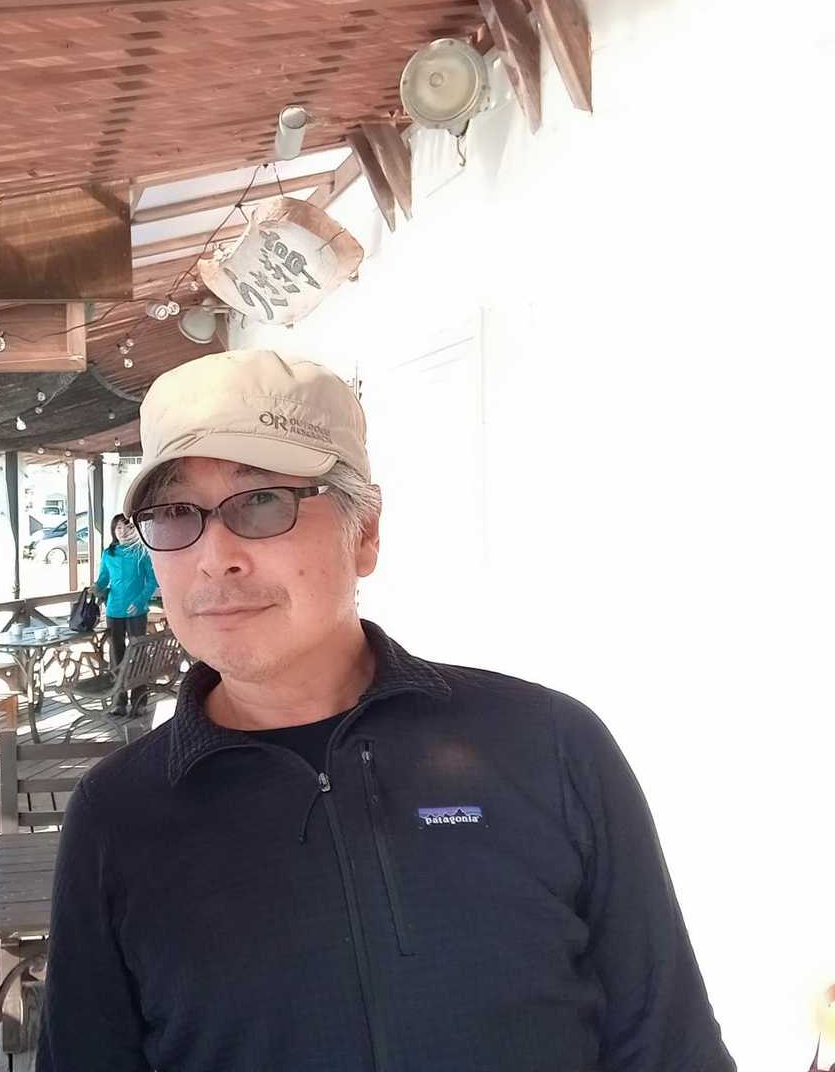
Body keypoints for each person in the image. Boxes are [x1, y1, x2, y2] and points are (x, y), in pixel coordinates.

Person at [38, 348, 734, 1072]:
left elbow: (670, 1044)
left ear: (365, 531)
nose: (215, 558)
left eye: (263, 501)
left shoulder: (550, 746)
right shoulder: (120, 814)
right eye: (175, 513)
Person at [94, 513, 159, 715]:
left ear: (134, 530)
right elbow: (103, 579)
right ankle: (118, 701)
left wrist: (140, 601)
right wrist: (96, 587)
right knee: (116, 655)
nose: (122, 532)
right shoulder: (109, 554)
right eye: (118, 528)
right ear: (113, 531)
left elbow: (152, 581)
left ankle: (139, 700)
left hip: (136, 611)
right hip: (114, 611)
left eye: (127, 527)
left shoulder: (141, 552)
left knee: (138, 655)